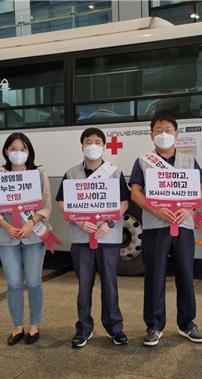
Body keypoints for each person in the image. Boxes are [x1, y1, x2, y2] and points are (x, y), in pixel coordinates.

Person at [129, 115, 202, 346]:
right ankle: (154, 325)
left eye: (168, 129)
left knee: (185, 274)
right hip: (155, 227)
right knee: (155, 276)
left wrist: (189, 208)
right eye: (159, 129)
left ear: (177, 134)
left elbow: (201, 189)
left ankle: (187, 323)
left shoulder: (189, 159)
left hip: (183, 226)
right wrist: (156, 210)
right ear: (151, 134)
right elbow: (135, 193)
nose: (164, 133)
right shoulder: (143, 161)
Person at [56, 127, 129, 348]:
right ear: (82, 146)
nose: (93, 145)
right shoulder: (71, 173)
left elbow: (124, 202)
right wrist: (78, 219)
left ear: (104, 146)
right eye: (89, 141)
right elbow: (62, 202)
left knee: (110, 284)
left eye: (97, 141)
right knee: (84, 285)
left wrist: (108, 222)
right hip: (81, 237)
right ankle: (84, 329)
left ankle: (115, 328)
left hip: (108, 237)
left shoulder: (114, 172)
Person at [0, 132, 52, 346]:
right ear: (6, 151)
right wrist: (6, 226)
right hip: (7, 237)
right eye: (13, 149)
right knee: (14, 283)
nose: (18, 153)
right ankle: (17, 326)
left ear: (29, 152)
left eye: (22, 149)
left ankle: (34, 325)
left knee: (34, 282)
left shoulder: (38, 175)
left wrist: (30, 223)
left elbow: (46, 206)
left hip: (33, 236)